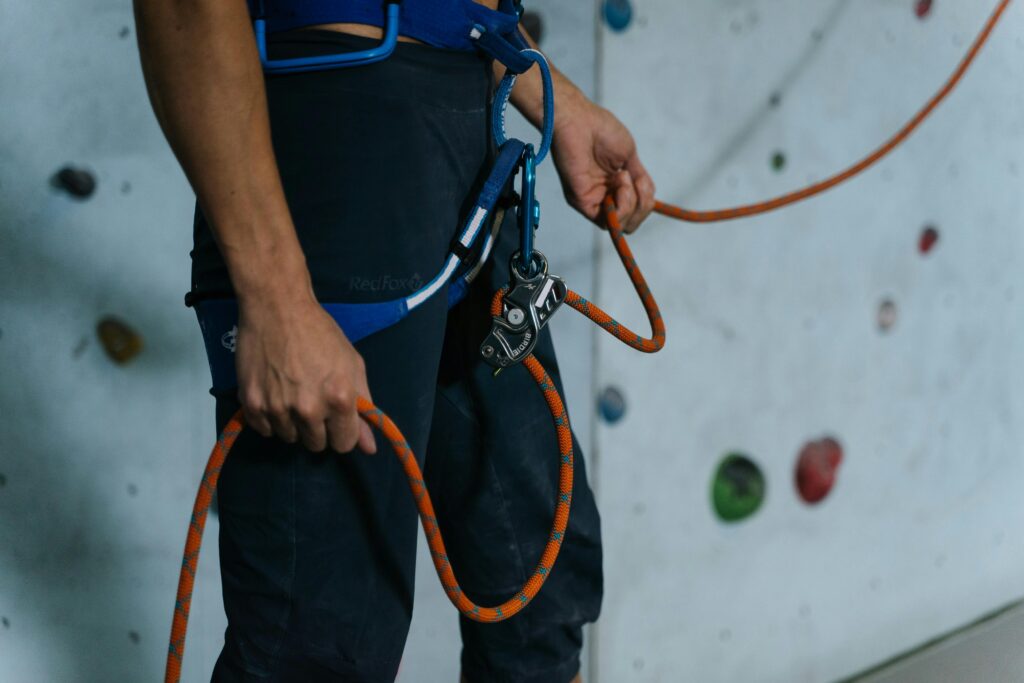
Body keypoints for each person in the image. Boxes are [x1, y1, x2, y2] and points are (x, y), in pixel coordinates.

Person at [133, 1, 655, 681]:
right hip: (341, 137)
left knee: (538, 581)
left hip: (464, 122)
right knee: (318, 644)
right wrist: (277, 297)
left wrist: (554, 94)